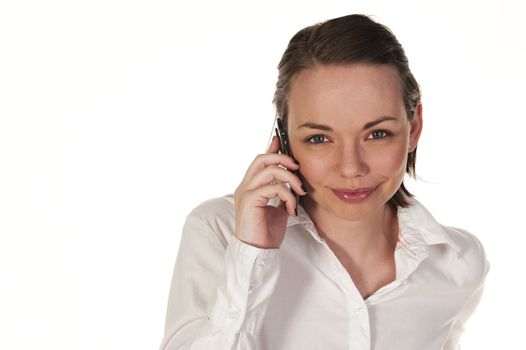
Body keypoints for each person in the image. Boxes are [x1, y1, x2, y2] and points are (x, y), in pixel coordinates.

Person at [160, 14, 489, 350]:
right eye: (319, 138)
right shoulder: (219, 230)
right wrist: (251, 256)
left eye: (377, 134)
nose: (350, 168)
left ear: (414, 127)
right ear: (283, 138)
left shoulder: (459, 263)